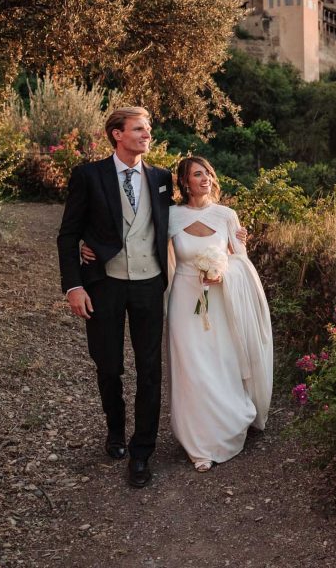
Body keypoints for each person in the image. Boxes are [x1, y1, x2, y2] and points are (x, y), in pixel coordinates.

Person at [57, 106, 171, 488]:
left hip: (150, 283)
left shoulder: (161, 178)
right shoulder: (88, 175)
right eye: (139, 129)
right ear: (116, 134)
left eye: (148, 129)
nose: (147, 135)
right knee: (108, 364)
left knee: (150, 368)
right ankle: (115, 431)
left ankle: (142, 452)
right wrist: (74, 285)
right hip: (103, 283)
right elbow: (68, 234)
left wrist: (230, 236)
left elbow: (182, 217)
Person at [163, 156, 273, 471]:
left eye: (209, 173)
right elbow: (149, 248)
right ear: (184, 182)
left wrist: (222, 271)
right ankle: (198, 443)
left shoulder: (226, 215)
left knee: (219, 361)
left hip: (220, 300)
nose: (206, 179)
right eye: (198, 174)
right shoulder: (171, 216)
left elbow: (242, 262)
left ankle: (226, 426)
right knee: (191, 366)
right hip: (184, 299)